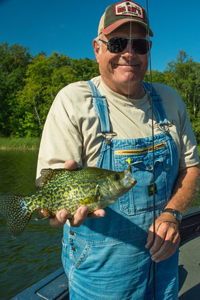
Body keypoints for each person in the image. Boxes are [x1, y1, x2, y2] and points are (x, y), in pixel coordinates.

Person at [37, 1, 199, 299]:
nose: (129, 53)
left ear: (148, 50)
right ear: (97, 48)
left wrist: (173, 214)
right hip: (102, 272)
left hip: (165, 262)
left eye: (139, 44)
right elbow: (52, 186)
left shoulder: (170, 99)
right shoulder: (74, 100)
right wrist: (58, 209)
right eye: (118, 42)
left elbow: (190, 168)